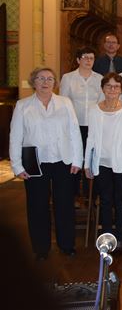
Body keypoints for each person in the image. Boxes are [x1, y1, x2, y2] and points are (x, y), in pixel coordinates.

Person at [9, 67, 83, 260]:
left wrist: (77, 159)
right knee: (37, 205)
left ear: (55, 83)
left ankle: (67, 245)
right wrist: (17, 165)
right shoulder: (23, 105)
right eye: (41, 78)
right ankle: (41, 249)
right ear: (34, 82)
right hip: (34, 161)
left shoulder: (65, 103)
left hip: (63, 160)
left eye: (50, 79)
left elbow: (74, 132)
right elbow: (15, 136)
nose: (45, 82)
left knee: (65, 204)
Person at [84, 73, 122, 254]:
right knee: (105, 201)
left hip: (121, 162)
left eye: (116, 86)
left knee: (119, 201)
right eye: (109, 86)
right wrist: (87, 163)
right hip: (101, 162)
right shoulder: (94, 110)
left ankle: (119, 237)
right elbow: (90, 138)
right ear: (103, 88)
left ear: (121, 90)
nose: (112, 89)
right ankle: (107, 237)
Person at [59, 46, 103, 195]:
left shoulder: (99, 78)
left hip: (93, 126)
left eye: (91, 58)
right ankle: (73, 194)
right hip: (74, 126)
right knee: (76, 157)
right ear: (78, 60)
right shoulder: (68, 78)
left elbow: (102, 103)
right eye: (85, 57)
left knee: (91, 158)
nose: (88, 61)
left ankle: (90, 194)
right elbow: (63, 103)